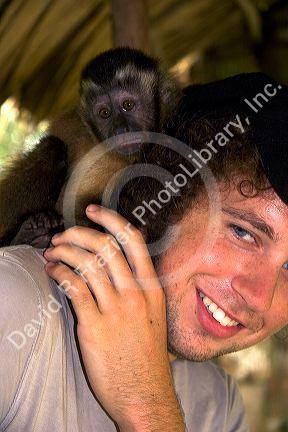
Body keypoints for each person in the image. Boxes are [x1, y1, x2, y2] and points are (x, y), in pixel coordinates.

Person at [1, 72, 288, 431]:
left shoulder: (218, 405)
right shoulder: (15, 306)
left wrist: (148, 407)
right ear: (166, 199)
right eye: (243, 232)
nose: (259, 297)